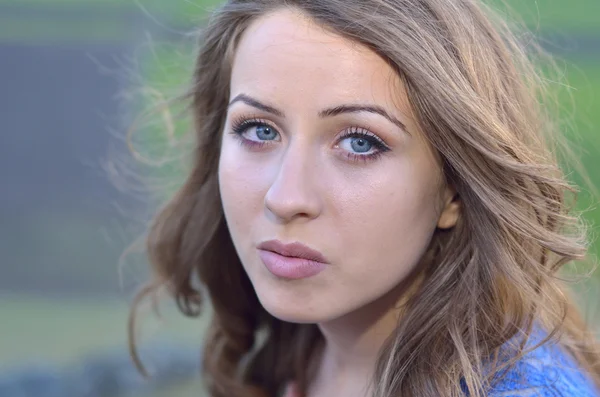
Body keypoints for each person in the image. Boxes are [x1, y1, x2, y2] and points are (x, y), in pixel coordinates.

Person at [128, 0, 600, 396]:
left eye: (359, 142)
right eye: (259, 129)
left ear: (455, 189)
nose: (286, 197)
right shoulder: (295, 354)